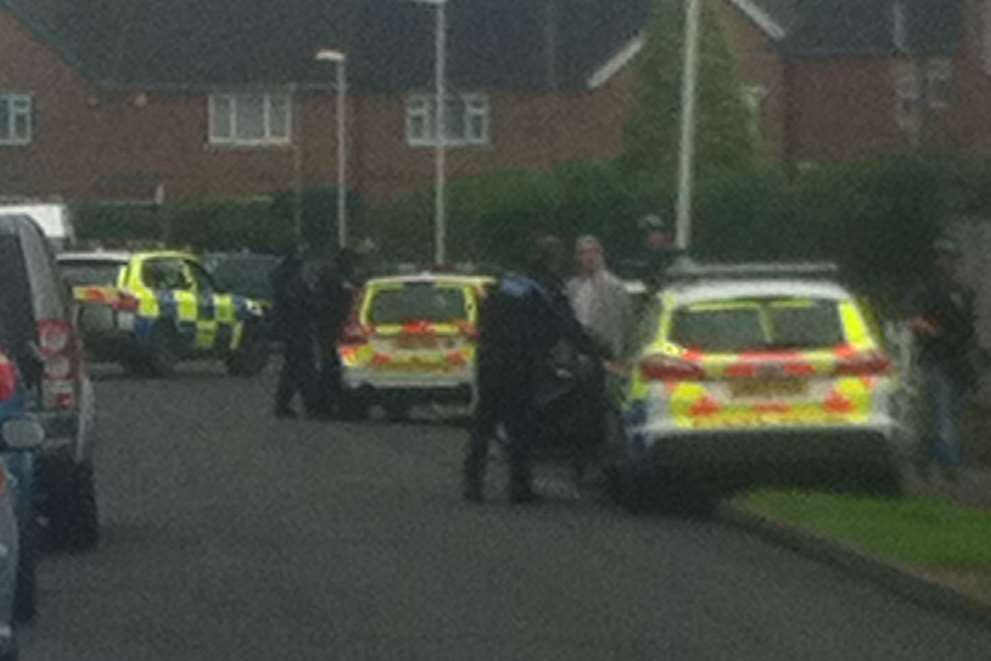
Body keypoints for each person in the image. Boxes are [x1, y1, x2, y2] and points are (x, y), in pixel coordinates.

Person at [462, 236, 601, 504]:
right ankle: (519, 487)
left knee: (485, 420)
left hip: (490, 358)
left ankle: (472, 484)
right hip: (520, 361)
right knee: (520, 424)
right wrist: (595, 352)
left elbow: (484, 316)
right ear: (552, 260)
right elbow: (566, 327)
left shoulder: (505, 283)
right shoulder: (545, 289)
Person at [908, 237, 980, 482]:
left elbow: (969, 328)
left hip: (959, 362)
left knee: (944, 415)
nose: (947, 263)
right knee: (943, 413)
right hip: (935, 359)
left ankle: (923, 459)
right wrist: (936, 334)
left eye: (951, 259)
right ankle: (951, 466)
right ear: (937, 261)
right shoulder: (926, 290)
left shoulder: (965, 293)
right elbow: (915, 320)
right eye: (943, 258)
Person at [566, 235, 635, 363]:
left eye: (593, 252)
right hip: (579, 355)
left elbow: (624, 322)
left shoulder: (614, 286)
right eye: (583, 253)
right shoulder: (572, 287)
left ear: (601, 255)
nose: (589, 257)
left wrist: (619, 355)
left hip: (608, 355)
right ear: (577, 257)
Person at [270, 250, 320, 419]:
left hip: (292, 331)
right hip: (298, 331)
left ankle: (284, 405)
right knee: (305, 370)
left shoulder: (285, 281)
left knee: (292, 371)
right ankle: (312, 406)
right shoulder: (292, 284)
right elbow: (298, 305)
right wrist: (313, 306)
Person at [312, 248, 358, 419]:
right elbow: (341, 301)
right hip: (331, 327)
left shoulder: (332, 276)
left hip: (332, 327)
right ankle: (324, 406)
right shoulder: (334, 278)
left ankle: (327, 405)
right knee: (330, 368)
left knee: (331, 368)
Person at [637, 213, 678, 292]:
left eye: (656, 232)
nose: (653, 237)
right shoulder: (643, 258)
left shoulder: (673, 255)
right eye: (646, 234)